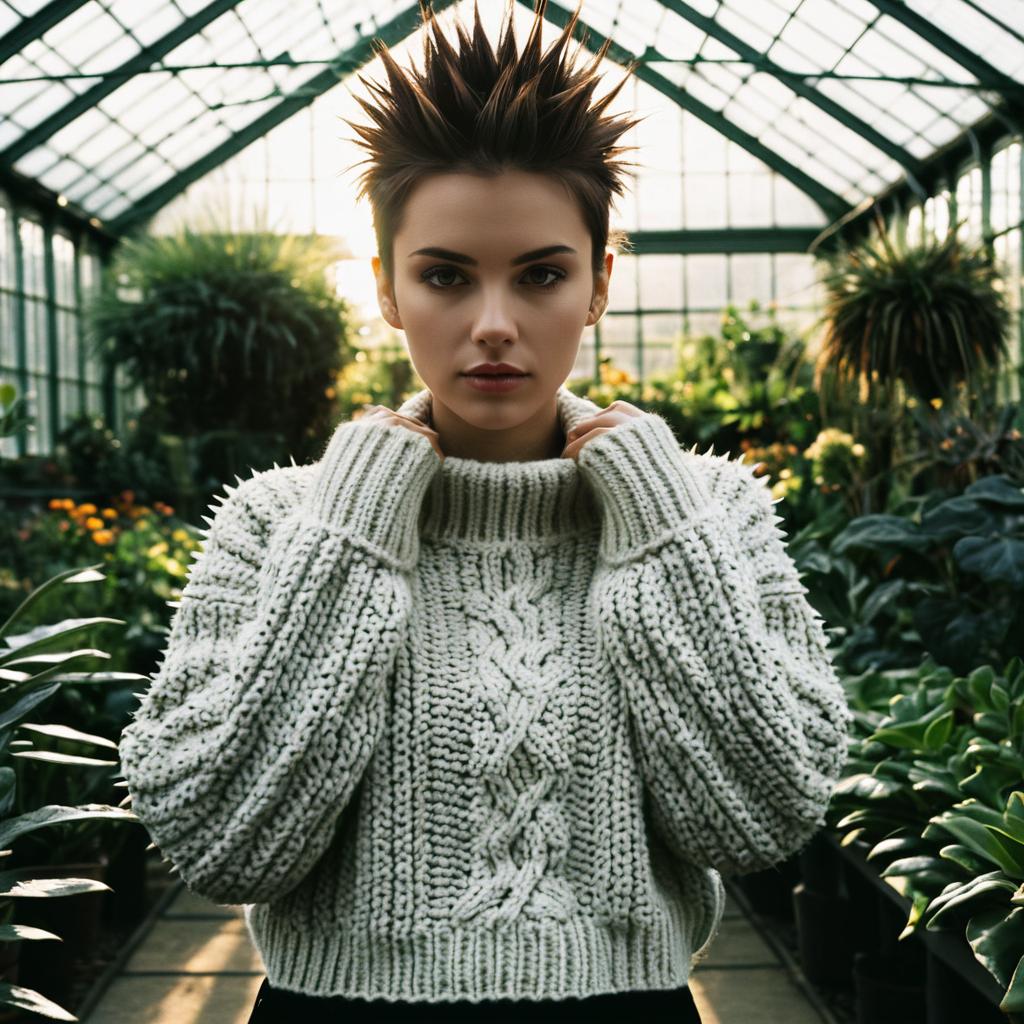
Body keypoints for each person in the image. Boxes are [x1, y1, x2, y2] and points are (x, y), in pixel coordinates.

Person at [117, 0, 854, 1020]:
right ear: (385, 287)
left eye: (542, 274)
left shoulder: (709, 511)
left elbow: (762, 821)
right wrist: (353, 530)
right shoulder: (277, 523)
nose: (495, 325)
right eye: (446, 277)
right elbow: (221, 841)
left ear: (598, 282)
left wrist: (657, 528)